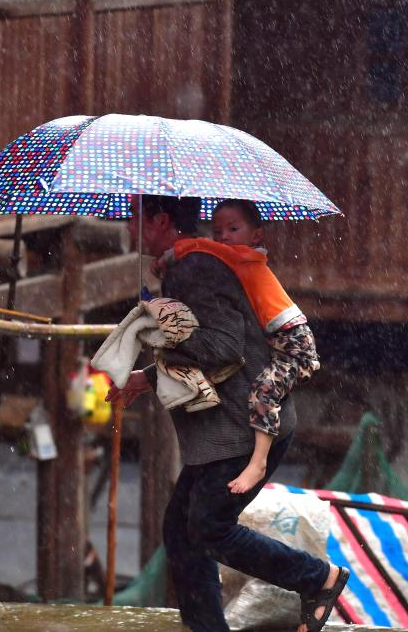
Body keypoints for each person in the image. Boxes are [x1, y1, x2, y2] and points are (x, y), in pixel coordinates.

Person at [107, 195, 348, 632]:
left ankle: (319, 578)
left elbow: (222, 348)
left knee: (207, 529)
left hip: (241, 427)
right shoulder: (190, 264)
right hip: (227, 429)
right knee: (181, 531)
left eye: (131, 218)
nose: (126, 228)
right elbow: (209, 341)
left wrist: (159, 332)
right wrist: (148, 375)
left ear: (161, 220)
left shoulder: (194, 269)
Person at [152, 199, 319, 495]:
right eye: (218, 231)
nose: (224, 236)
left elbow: (204, 248)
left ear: (256, 235)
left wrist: (174, 252)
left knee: (264, 390)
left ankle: (258, 462)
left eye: (233, 228)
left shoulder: (245, 258)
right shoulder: (236, 260)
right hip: (284, 341)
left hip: (295, 344)